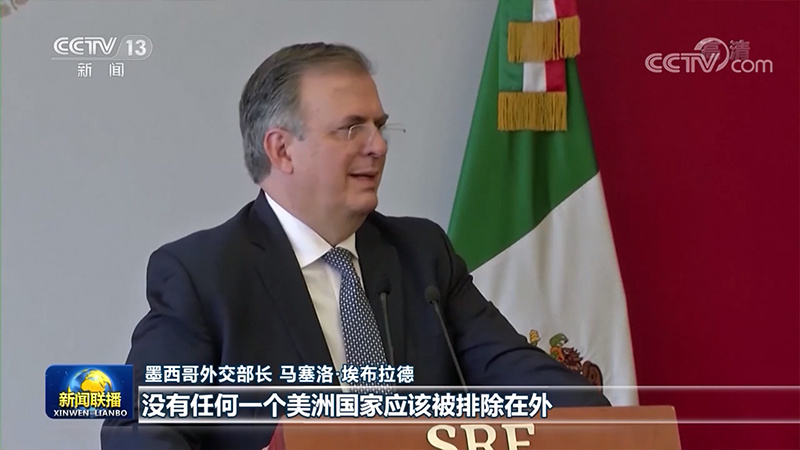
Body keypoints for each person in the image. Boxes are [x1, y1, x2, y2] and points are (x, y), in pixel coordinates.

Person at [101, 42, 609, 450]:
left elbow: (519, 376)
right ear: (282, 149)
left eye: (379, 127)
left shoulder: (421, 254)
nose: (379, 146)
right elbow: (141, 429)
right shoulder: (204, 274)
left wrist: (607, 428)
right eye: (351, 129)